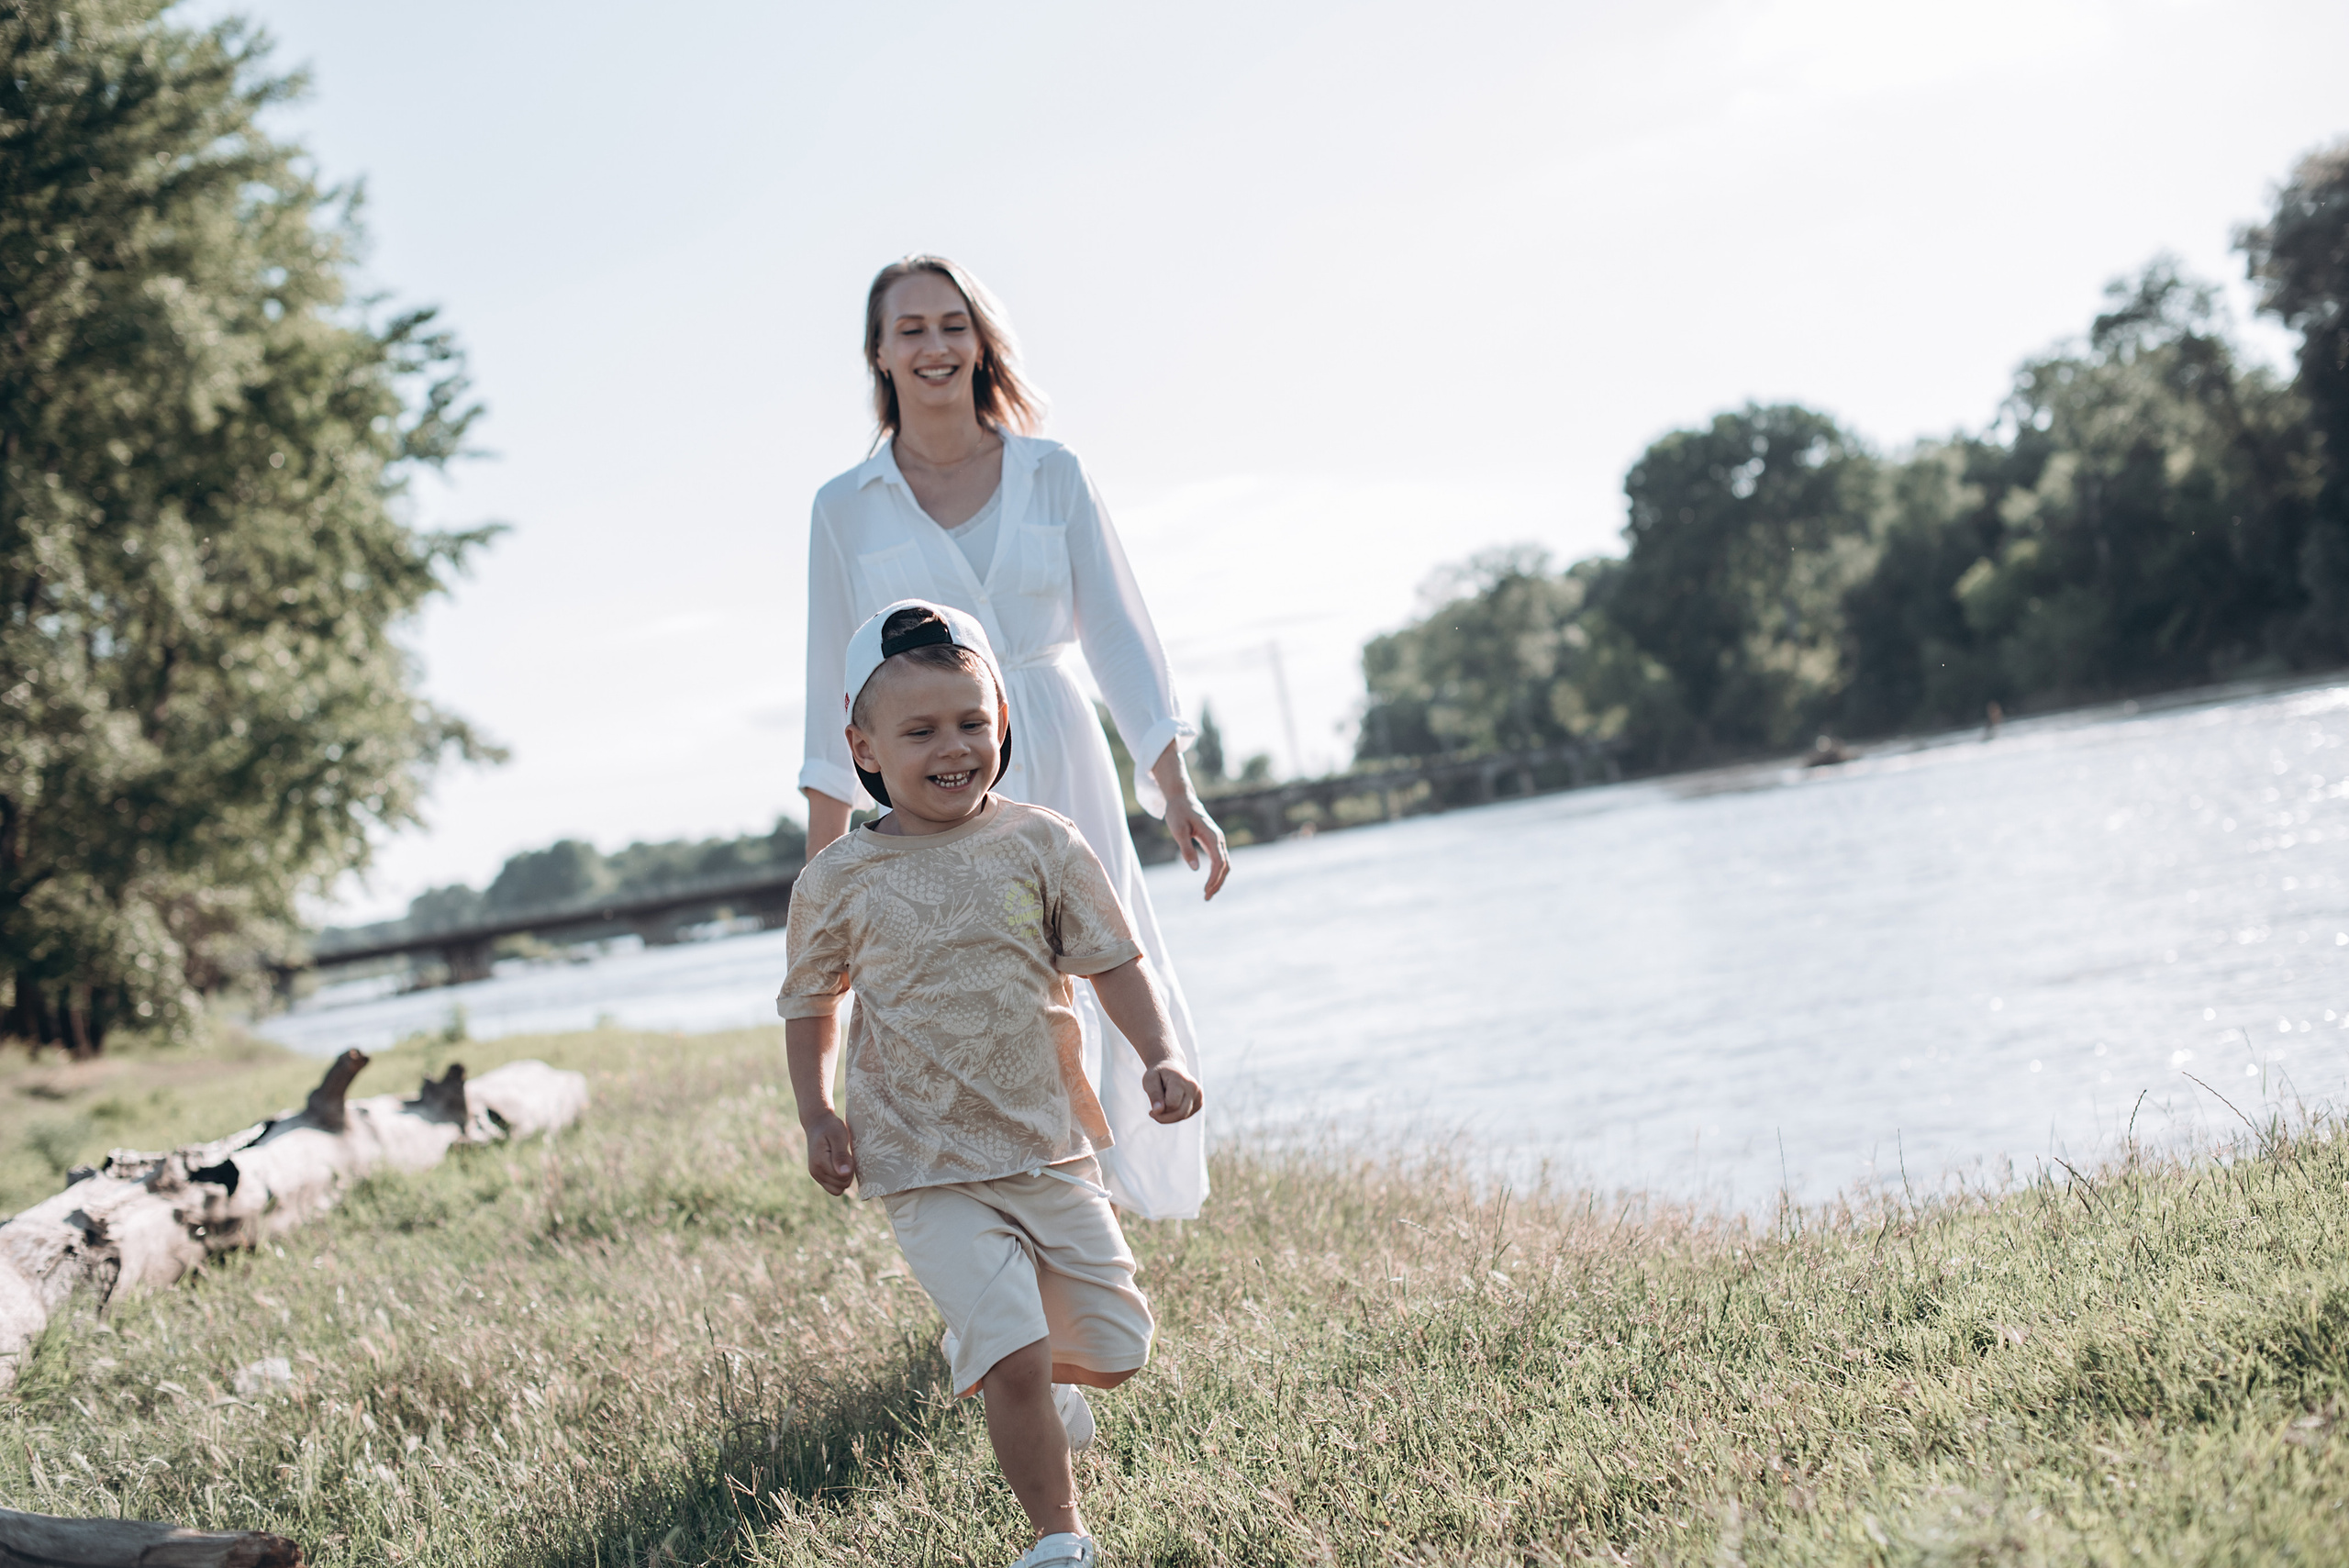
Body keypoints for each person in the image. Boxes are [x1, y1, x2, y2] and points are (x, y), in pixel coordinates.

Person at [797, 254, 1226, 1220]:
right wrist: (823, 875)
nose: (934, 345)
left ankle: (1111, 1200)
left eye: (952, 323)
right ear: (878, 351)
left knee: (1104, 954)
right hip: (929, 777)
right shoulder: (844, 508)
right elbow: (831, 694)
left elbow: (1117, 634)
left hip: (1059, 741)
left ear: (981, 337)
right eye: (910, 328)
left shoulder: (1051, 472)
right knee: (978, 989)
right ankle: (1010, 1215)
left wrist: (1173, 785)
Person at [779, 601, 1204, 1568]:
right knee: (1012, 1347)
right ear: (865, 744)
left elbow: (1114, 960)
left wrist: (1160, 1051)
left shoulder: (1042, 842)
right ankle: (1058, 1534)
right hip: (921, 1157)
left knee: (1116, 1341)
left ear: (1003, 718)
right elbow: (811, 1000)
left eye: (971, 720)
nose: (953, 746)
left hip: (1048, 1140)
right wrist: (817, 1112)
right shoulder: (838, 877)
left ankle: (1028, 1370)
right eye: (920, 729)